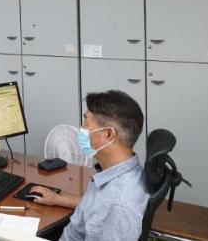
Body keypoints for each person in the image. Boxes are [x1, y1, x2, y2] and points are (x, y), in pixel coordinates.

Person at [31, 90, 149, 241]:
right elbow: (98, 205)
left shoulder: (117, 206)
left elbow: (109, 208)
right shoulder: (124, 171)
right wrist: (59, 199)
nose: (82, 129)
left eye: (86, 123)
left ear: (108, 134)